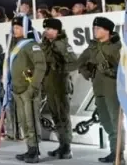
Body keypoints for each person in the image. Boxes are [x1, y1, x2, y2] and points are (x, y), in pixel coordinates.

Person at [77, 16, 124, 163]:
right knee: (105, 121)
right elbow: (80, 62)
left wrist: (109, 71)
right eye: (94, 28)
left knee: (116, 122)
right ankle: (113, 151)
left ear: (107, 30)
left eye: (98, 28)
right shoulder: (93, 47)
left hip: (113, 89)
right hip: (98, 89)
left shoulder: (117, 47)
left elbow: (125, 70)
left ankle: (119, 155)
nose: (94, 31)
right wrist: (87, 72)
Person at [9, 15, 45, 163]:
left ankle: (35, 151)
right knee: (24, 122)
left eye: (18, 27)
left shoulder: (31, 45)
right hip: (17, 89)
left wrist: (33, 86)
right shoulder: (14, 45)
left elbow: (41, 66)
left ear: (26, 28)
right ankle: (29, 148)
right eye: (14, 27)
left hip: (28, 89)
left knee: (31, 122)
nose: (15, 30)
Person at [41, 17, 78, 159]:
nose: (47, 31)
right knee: (56, 116)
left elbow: (74, 63)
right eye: (46, 29)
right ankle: (62, 145)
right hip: (49, 85)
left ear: (57, 30)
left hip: (61, 85)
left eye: (50, 29)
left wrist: (60, 69)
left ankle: (67, 147)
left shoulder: (62, 44)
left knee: (63, 116)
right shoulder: (45, 44)